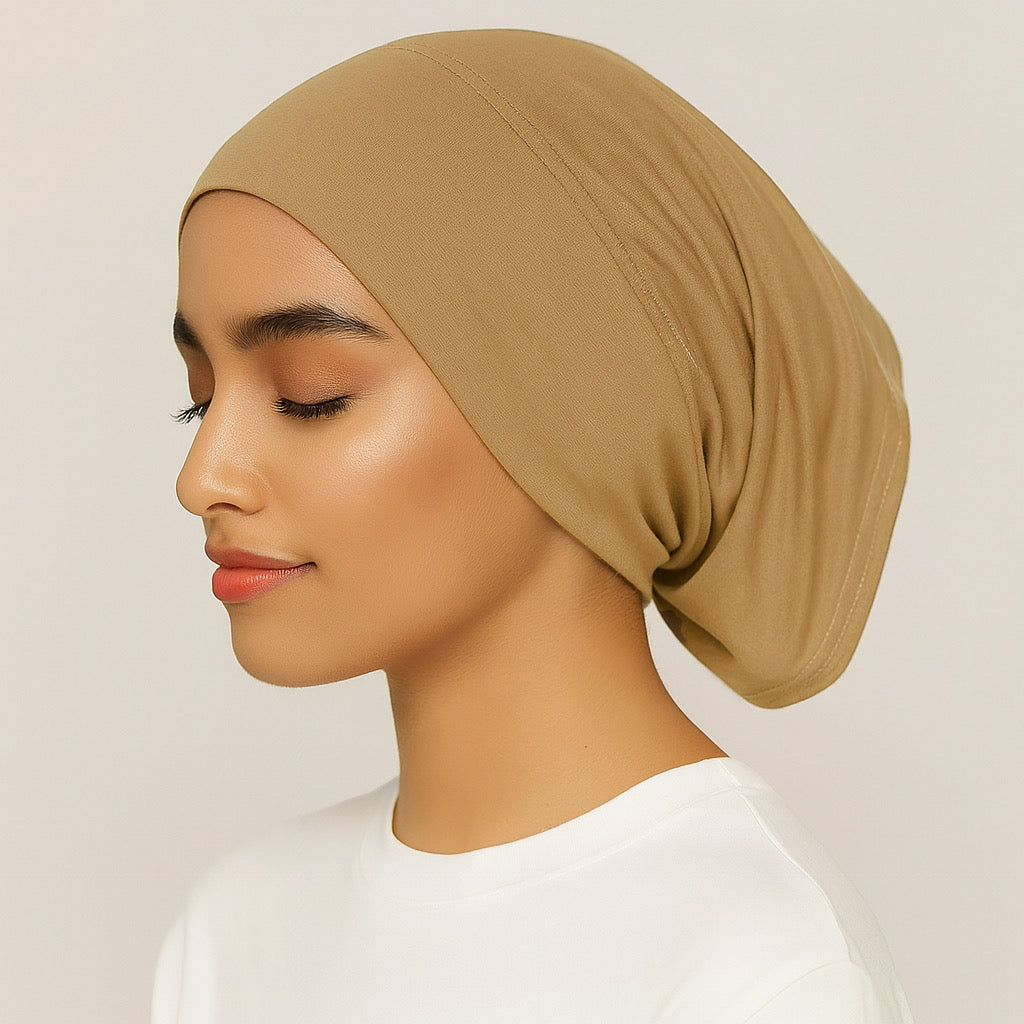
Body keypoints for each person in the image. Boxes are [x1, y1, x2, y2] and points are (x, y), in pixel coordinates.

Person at [151, 27, 914, 1023]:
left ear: (581, 412)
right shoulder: (236, 927)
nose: (202, 477)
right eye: (200, 400)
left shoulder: (761, 971)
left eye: (310, 394)